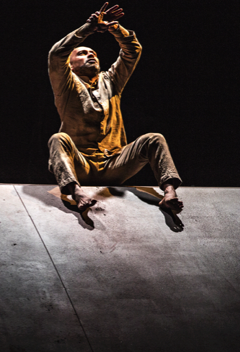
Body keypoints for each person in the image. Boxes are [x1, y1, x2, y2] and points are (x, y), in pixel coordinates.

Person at [47, 2, 183, 212]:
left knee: (154, 139)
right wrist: (88, 28)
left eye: (94, 53)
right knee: (58, 139)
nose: (91, 55)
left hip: (114, 164)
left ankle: (169, 192)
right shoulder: (66, 84)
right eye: (83, 53)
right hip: (81, 164)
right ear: (71, 65)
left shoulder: (110, 81)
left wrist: (115, 28)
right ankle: (77, 192)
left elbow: (132, 50)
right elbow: (56, 55)